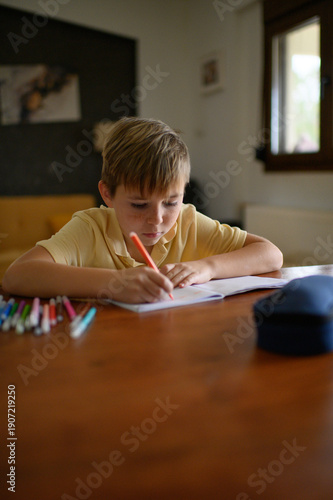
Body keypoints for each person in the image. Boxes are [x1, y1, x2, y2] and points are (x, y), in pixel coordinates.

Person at [3, 117, 283, 303]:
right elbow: (17, 275)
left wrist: (206, 267)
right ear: (107, 194)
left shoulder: (187, 222)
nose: (157, 219)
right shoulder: (91, 228)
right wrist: (115, 283)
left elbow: (271, 255)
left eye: (171, 202)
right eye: (139, 205)